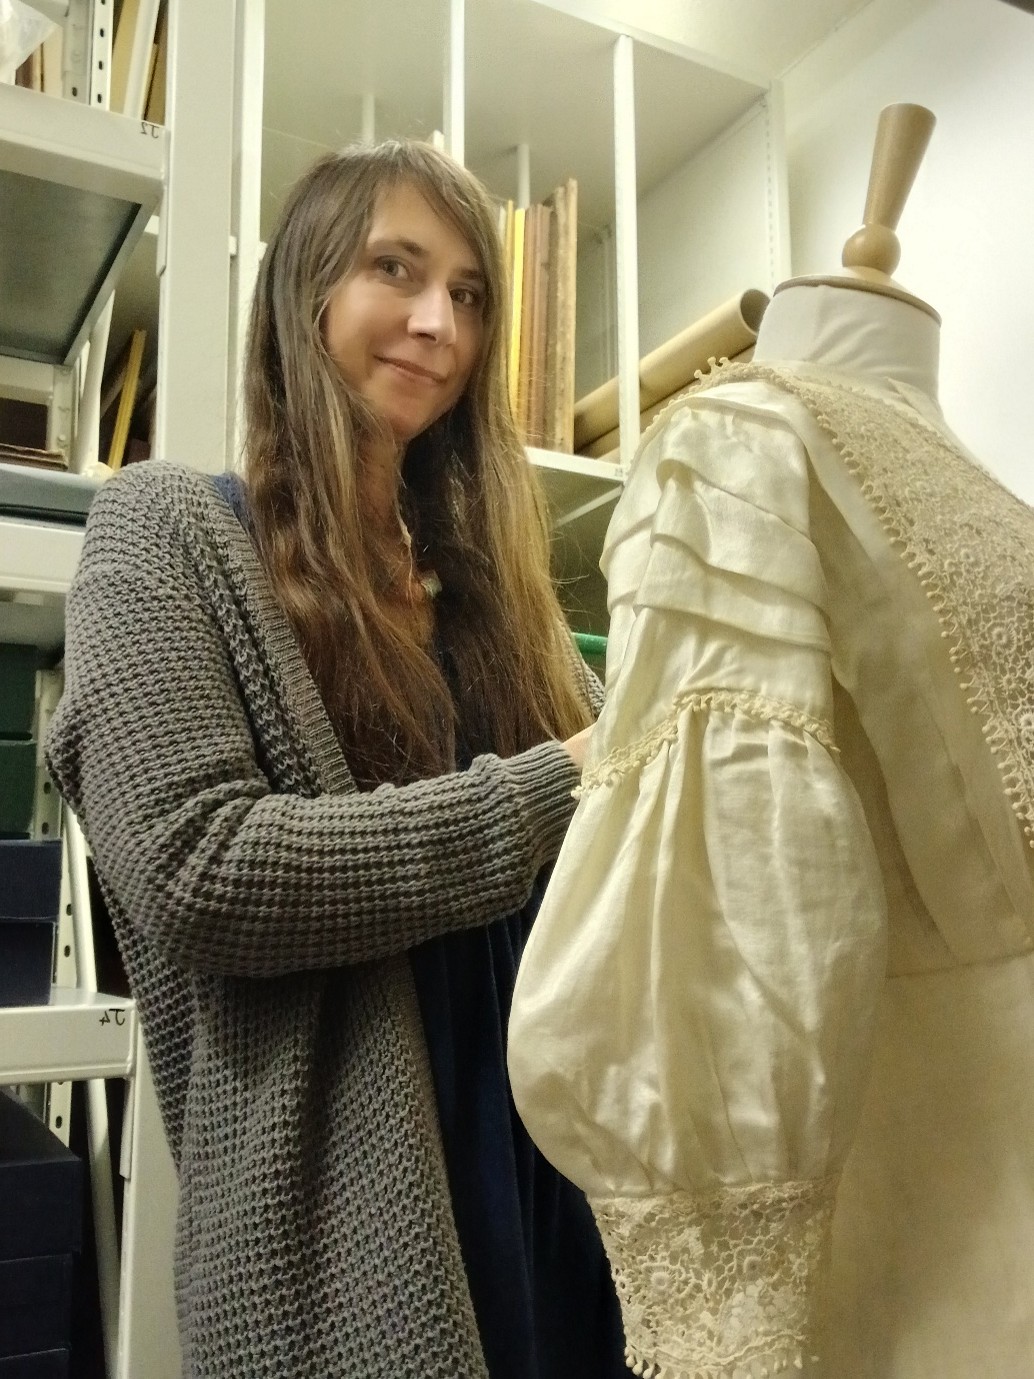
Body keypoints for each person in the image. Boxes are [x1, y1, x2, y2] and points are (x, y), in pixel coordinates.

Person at [45, 139, 628, 1379]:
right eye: (394, 269)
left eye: (470, 294)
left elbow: (631, 794)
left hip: (561, 1188)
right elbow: (201, 868)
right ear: (306, 291)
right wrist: (560, 783)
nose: (438, 323)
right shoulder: (163, 534)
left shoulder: (491, 595)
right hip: (341, 1232)